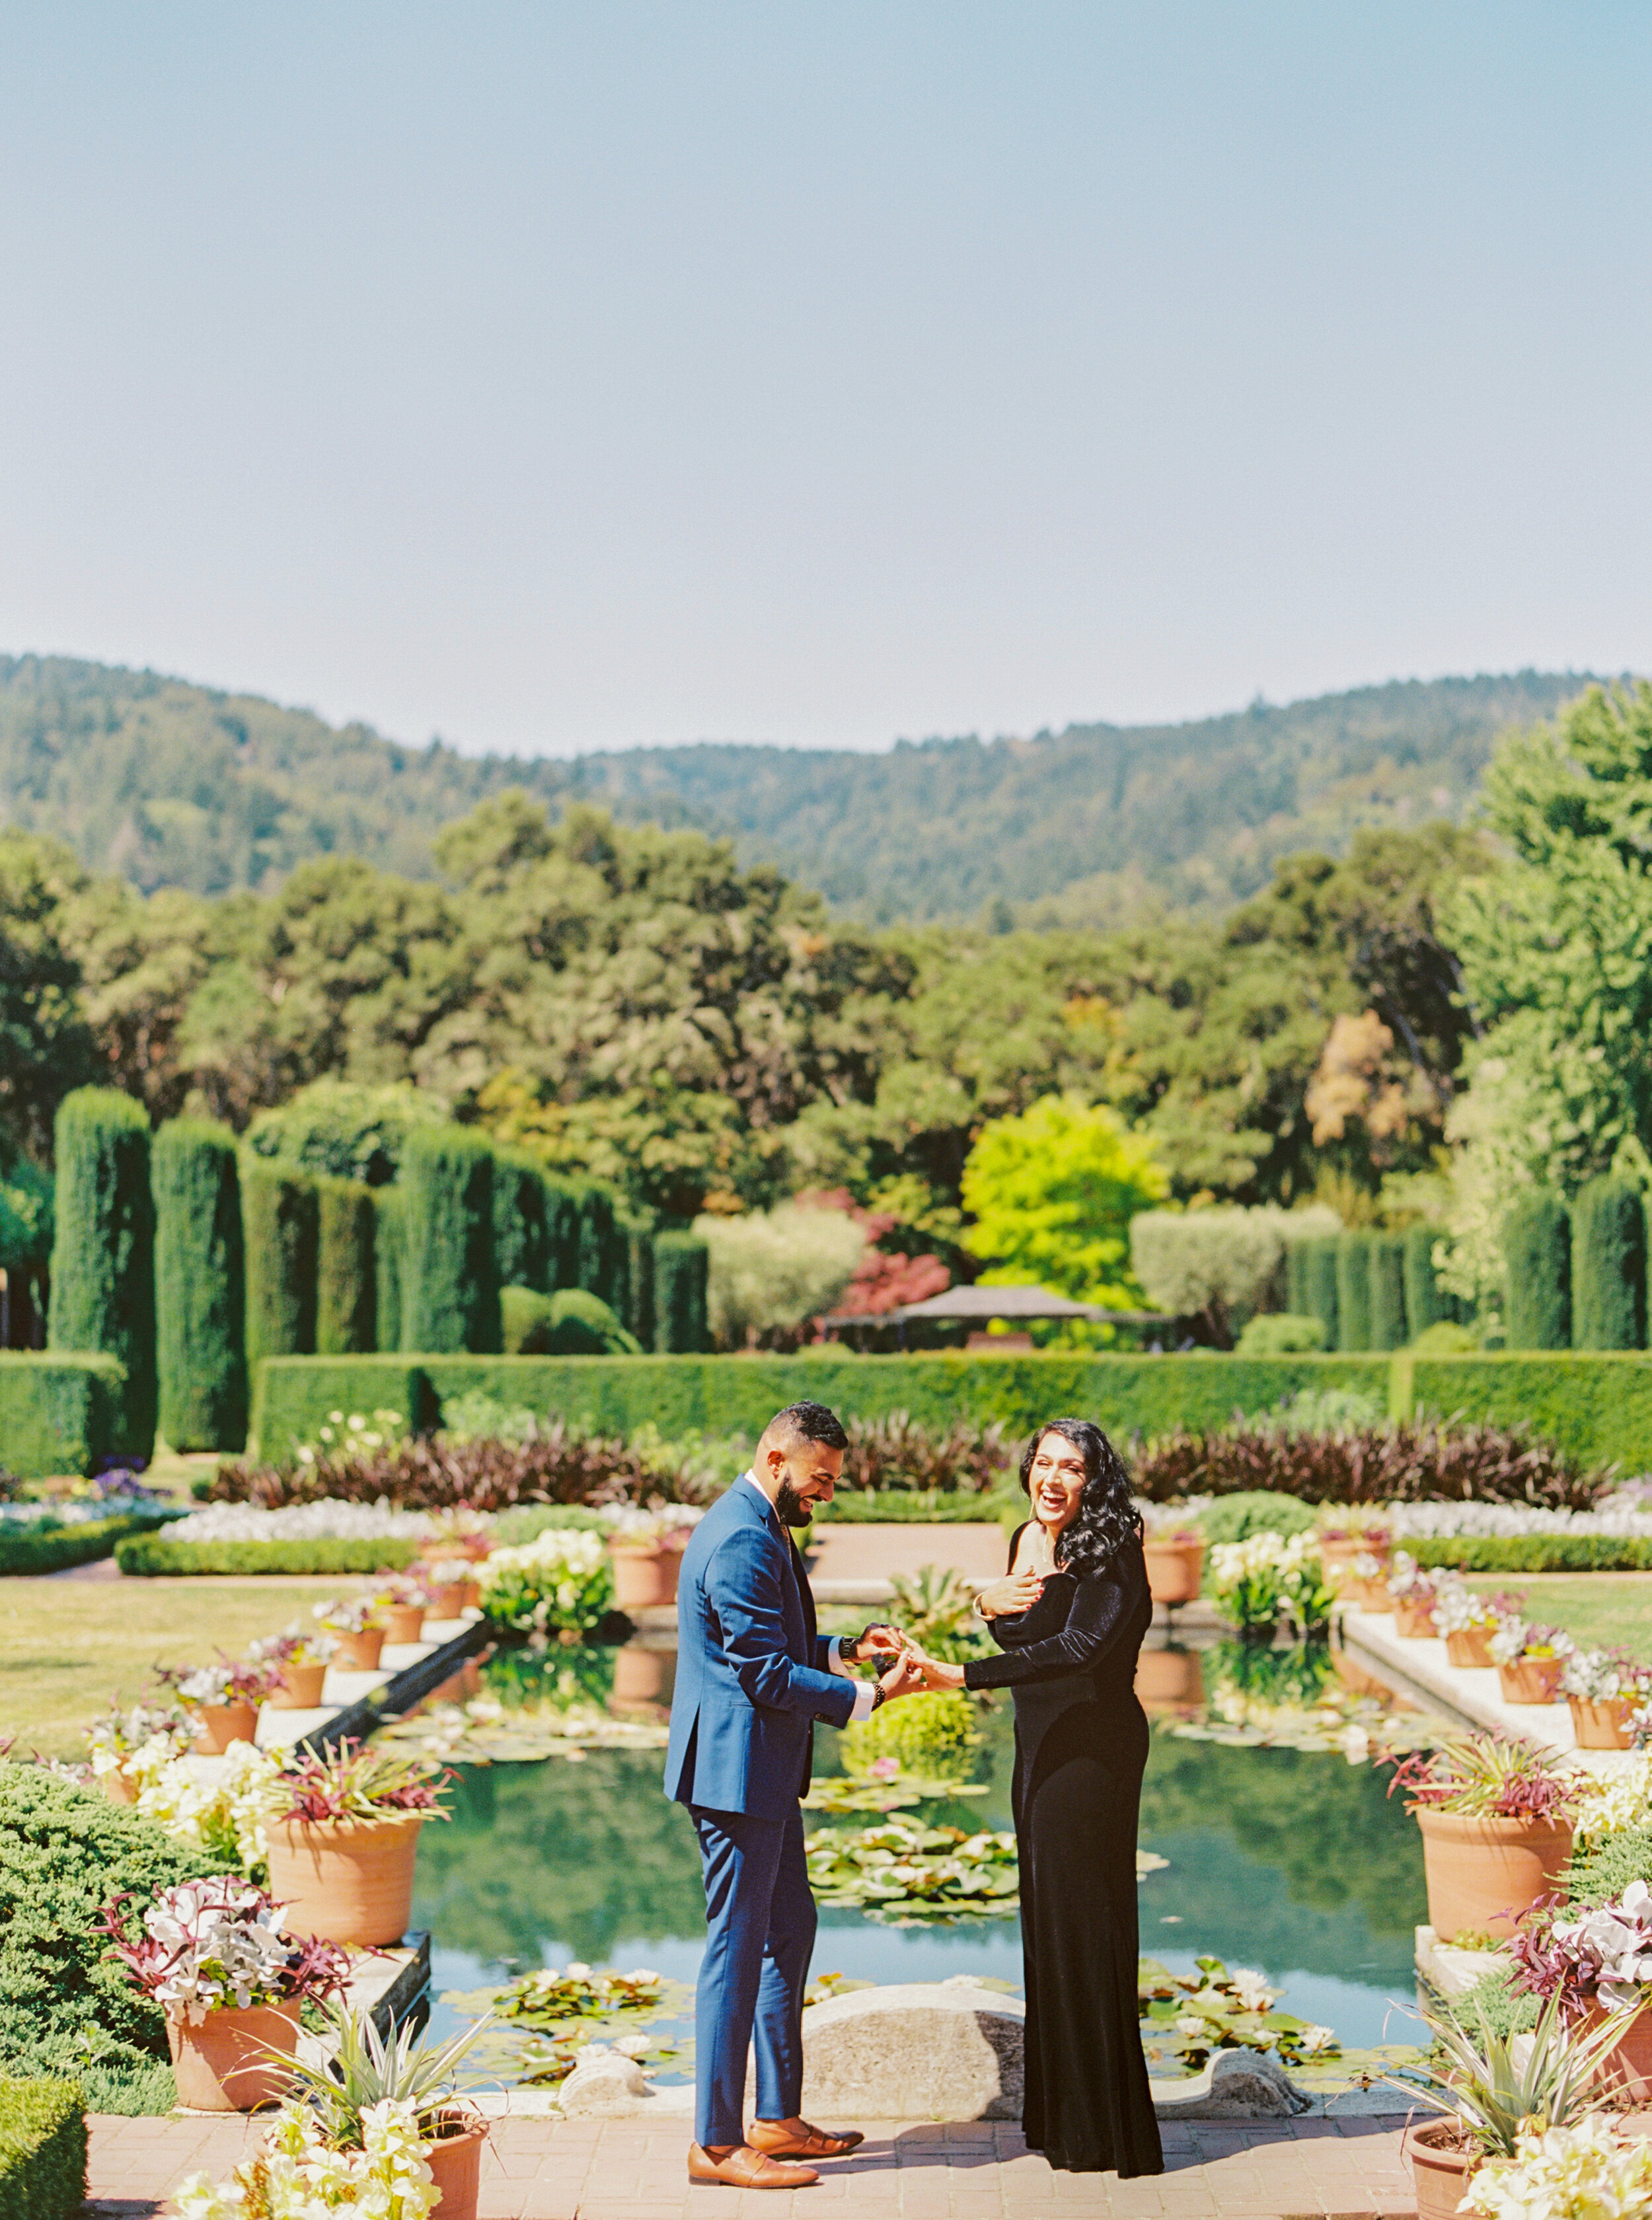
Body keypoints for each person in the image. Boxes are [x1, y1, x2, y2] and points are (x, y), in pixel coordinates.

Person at [665, 1398, 926, 2191]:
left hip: (762, 1772)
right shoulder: (743, 1533)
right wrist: (872, 1697)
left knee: (789, 1928)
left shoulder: (757, 1521)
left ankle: (775, 2120)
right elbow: (764, 1673)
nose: (827, 1494)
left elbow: (771, 1641)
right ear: (777, 1460)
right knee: (735, 1952)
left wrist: (847, 1647)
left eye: (833, 1483)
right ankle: (714, 2146)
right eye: (820, 1479)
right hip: (736, 1776)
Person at [914, 1419, 1164, 2178]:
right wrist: (989, 1607)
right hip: (1038, 1750)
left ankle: (1106, 2132)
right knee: (1049, 1925)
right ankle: (1060, 2120)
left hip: (1093, 1757)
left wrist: (960, 1672)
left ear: (1095, 1482)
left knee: (1088, 1927)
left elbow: (1080, 1650)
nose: (1053, 1479)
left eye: (1072, 1468)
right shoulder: (1026, 1537)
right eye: (1043, 1463)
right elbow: (1025, 1642)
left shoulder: (1111, 1547)